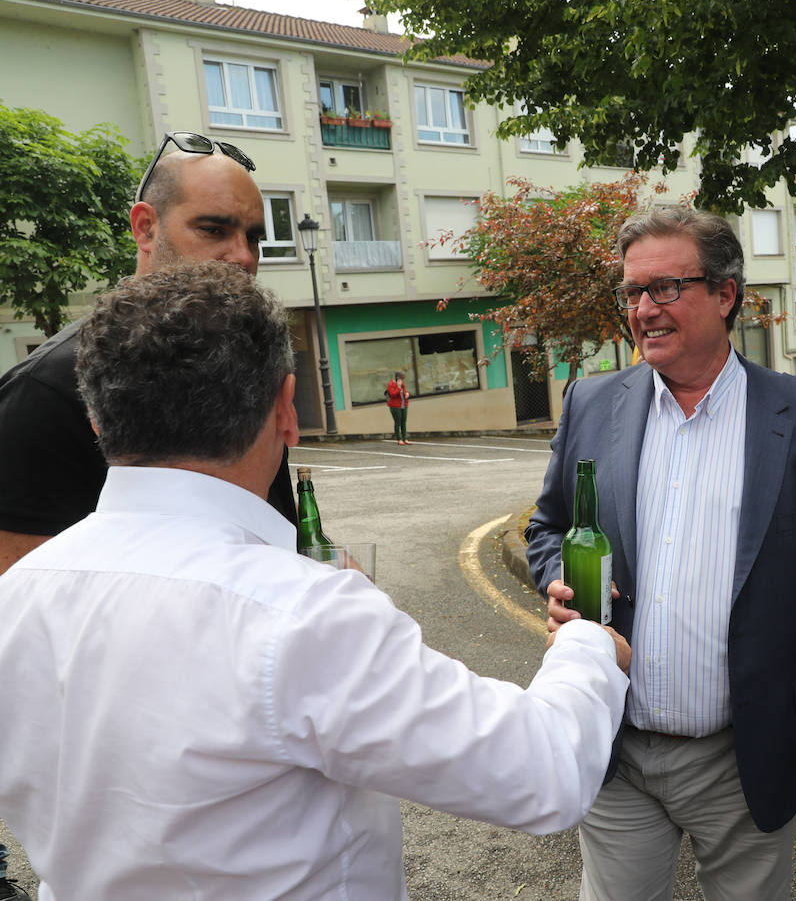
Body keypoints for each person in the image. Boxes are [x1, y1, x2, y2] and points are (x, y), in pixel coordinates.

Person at [0, 262, 631, 898]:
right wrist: (591, 646)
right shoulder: (300, 613)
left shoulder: (16, 594)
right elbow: (543, 773)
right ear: (286, 409)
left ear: (97, 421)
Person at [524, 207, 796, 900]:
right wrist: (557, 576)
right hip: (614, 745)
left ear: (727, 294)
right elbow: (547, 526)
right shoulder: (590, 403)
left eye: (665, 288)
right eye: (632, 293)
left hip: (745, 755)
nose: (644, 310)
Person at [0, 131, 296, 575]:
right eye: (214, 229)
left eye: (254, 238)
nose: (243, 257)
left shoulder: (251, 360)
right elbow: (19, 603)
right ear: (145, 228)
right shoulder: (44, 391)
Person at [387, 370, 411, 444]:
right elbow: (392, 394)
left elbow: (404, 392)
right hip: (395, 406)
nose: (402, 380)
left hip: (404, 405)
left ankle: (405, 438)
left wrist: (407, 394)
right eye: (401, 378)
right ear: (397, 377)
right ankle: (399, 439)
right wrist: (398, 386)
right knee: (398, 422)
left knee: (403, 422)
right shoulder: (391, 384)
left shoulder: (402, 383)